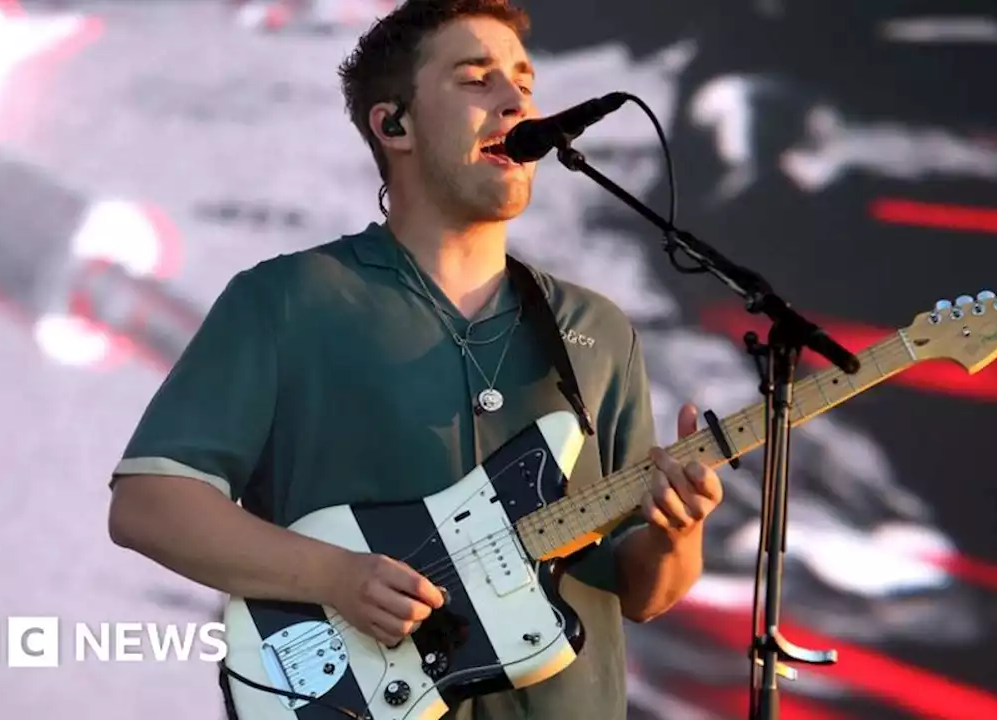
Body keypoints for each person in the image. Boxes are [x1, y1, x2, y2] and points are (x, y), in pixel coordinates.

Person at [106, 1, 724, 717]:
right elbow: (149, 505)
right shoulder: (288, 300)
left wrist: (679, 532)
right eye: (476, 79)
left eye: (524, 79)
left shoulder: (597, 329)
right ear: (392, 125)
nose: (516, 99)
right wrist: (337, 577)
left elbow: (643, 588)